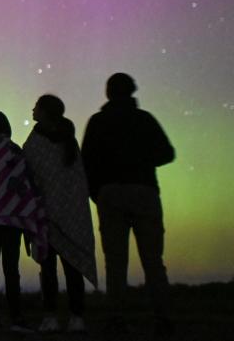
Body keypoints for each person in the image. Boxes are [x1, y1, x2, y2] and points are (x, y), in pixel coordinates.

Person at [81, 73, 175, 336]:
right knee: (153, 261)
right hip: (144, 192)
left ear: (109, 93)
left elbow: (85, 162)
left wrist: (97, 193)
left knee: (115, 262)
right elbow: (167, 154)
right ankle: (163, 318)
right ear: (132, 92)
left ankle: (116, 319)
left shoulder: (98, 122)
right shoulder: (144, 120)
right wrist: (141, 158)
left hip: (110, 195)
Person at [23, 94, 98, 334]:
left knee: (62, 268)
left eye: (36, 107)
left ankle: (67, 317)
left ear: (45, 112)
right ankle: (61, 317)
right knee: (56, 269)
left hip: (55, 215)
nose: (33, 110)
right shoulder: (48, 141)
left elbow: (73, 179)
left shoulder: (56, 141)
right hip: (57, 215)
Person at [0, 111, 48, 333]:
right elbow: (24, 183)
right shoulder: (14, 151)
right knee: (11, 269)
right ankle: (16, 318)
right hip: (12, 218)